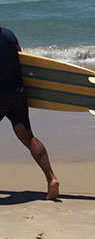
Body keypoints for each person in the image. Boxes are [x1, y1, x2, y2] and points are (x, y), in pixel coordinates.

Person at [0, 27, 59, 199]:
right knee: (29, 138)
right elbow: (22, 59)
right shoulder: (9, 35)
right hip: (16, 94)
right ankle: (51, 179)